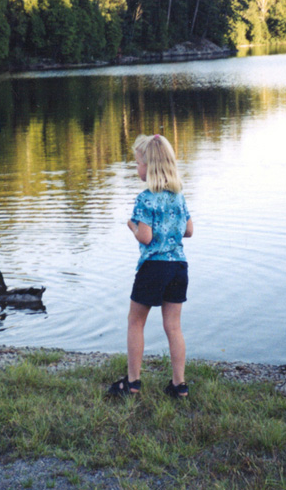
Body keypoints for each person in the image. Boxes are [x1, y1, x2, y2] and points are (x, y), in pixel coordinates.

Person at [107, 134, 193, 399]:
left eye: (138, 163)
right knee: (173, 326)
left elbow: (145, 237)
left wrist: (132, 226)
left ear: (150, 166)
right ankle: (179, 385)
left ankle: (132, 383)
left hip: (153, 267)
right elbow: (189, 231)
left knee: (135, 322)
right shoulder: (178, 196)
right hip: (178, 267)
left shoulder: (145, 198)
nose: (136, 168)